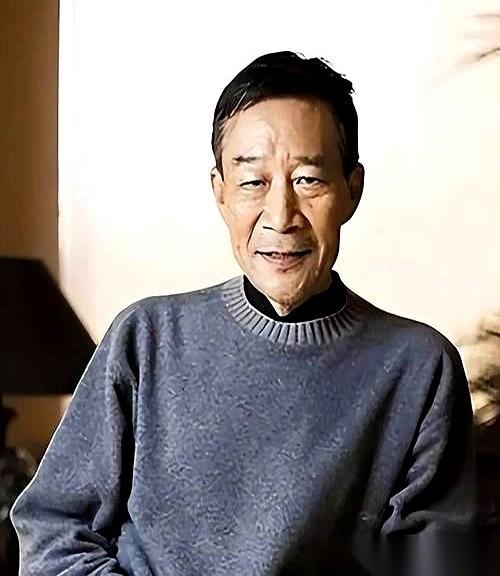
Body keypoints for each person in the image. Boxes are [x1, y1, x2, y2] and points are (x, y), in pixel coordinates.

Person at [10, 51, 477, 576]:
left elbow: (434, 564)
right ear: (220, 193)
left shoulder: (418, 366)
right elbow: (53, 529)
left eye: (308, 179)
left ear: (352, 189)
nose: (281, 216)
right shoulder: (145, 338)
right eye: (253, 181)